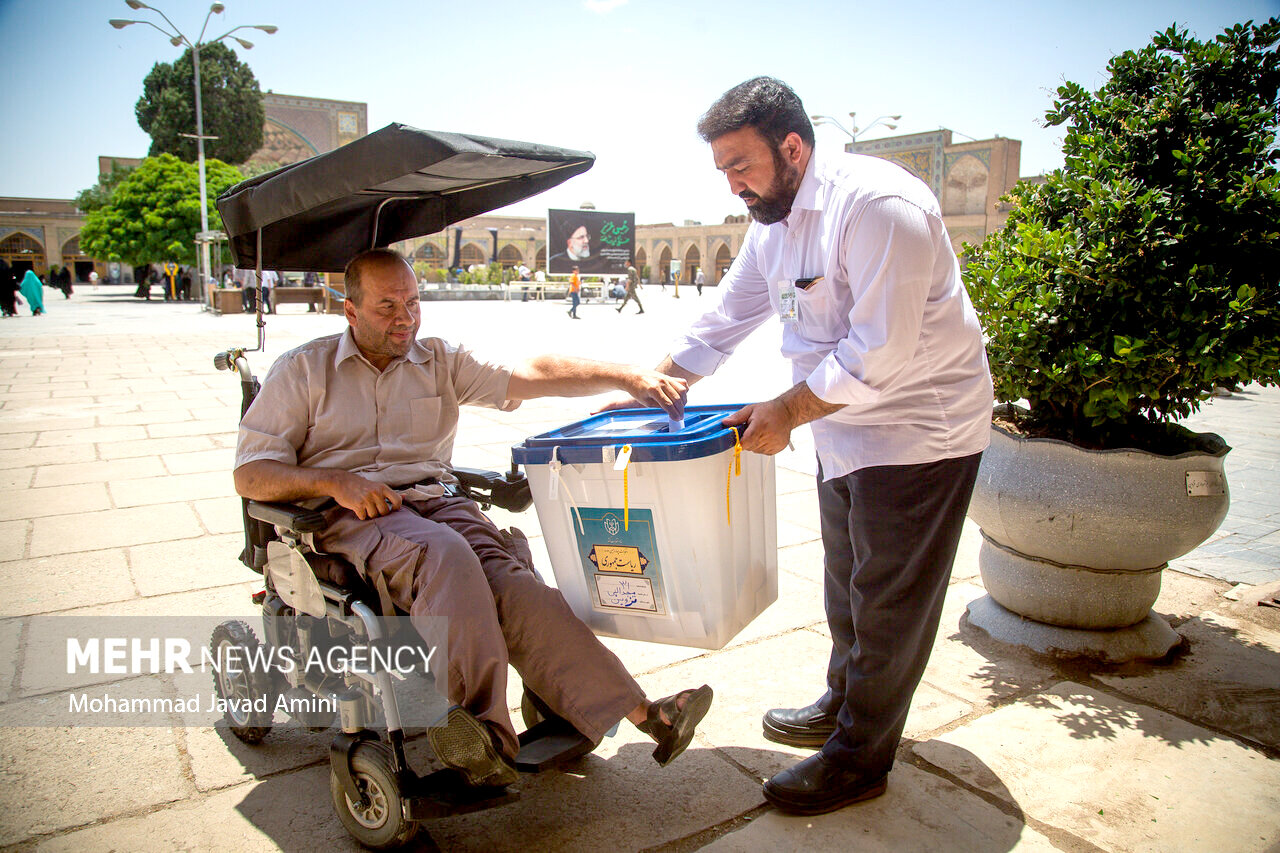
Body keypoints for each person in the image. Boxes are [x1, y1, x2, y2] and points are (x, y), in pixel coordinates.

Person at [628, 77, 992, 815]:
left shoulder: (877, 207)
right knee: (847, 580)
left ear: (792, 147)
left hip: (920, 429)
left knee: (888, 599)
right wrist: (659, 382)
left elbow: (879, 353)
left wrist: (786, 411)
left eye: (741, 165)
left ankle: (860, 758)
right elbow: (726, 316)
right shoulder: (774, 221)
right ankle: (842, 701)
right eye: (723, 170)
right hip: (842, 424)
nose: (732, 184)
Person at [233, 248, 712, 788]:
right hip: (349, 517)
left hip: (438, 502)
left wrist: (627, 377)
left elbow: (532, 373)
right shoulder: (303, 371)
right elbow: (251, 475)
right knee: (447, 557)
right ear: (351, 310)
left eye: (413, 302)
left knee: (517, 585)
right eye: (388, 305)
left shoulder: (438, 359)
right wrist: (331, 481)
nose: (405, 318)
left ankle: (648, 715)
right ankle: (485, 734)